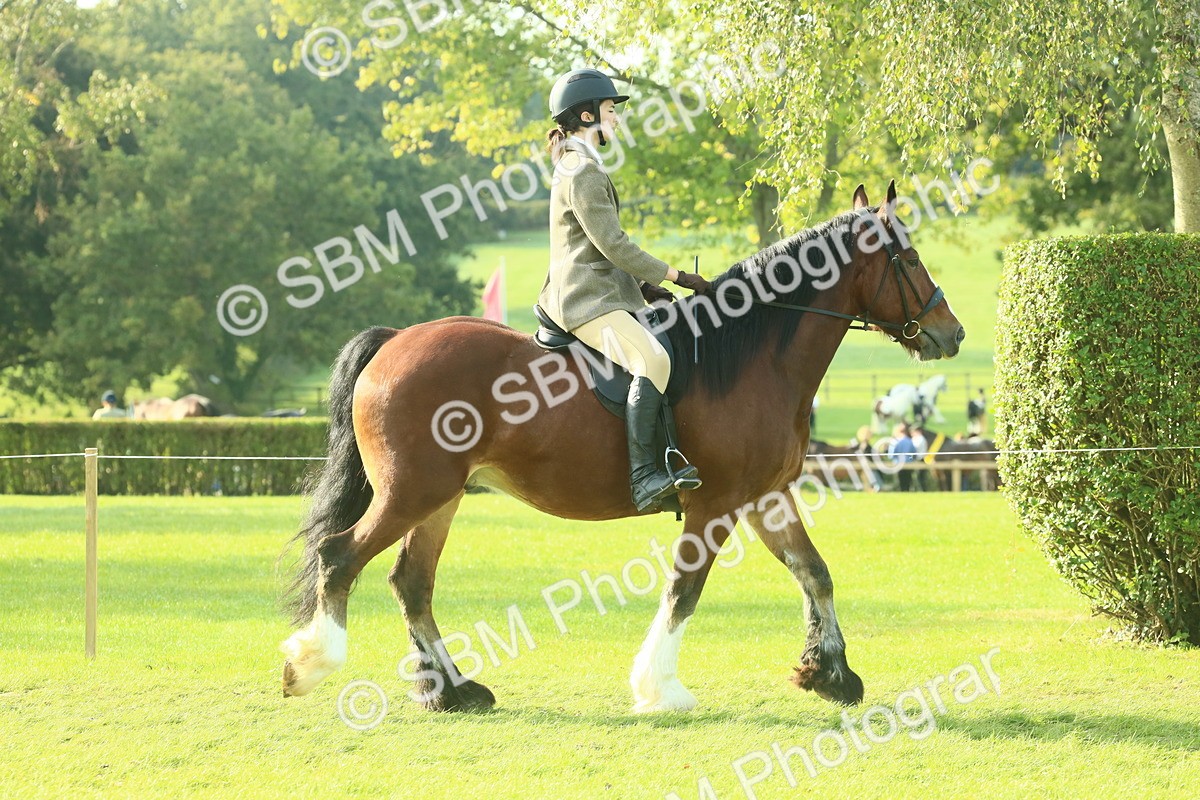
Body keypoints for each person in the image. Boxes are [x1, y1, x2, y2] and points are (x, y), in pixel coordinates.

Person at [538, 68, 712, 512]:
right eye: (611, 111)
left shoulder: (578, 165)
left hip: (602, 289)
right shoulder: (583, 172)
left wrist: (644, 285)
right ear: (586, 114)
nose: (616, 120)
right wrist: (675, 276)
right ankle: (643, 478)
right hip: (585, 300)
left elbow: (596, 244)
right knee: (651, 358)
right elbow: (612, 244)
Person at [888, 423, 917, 492]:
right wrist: (910, 460)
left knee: (899, 482)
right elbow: (913, 454)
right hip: (908, 465)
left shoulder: (894, 441)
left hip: (897, 464)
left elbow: (891, 455)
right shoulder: (909, 441)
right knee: (907, 482)